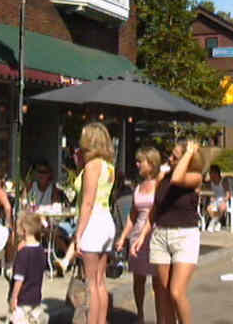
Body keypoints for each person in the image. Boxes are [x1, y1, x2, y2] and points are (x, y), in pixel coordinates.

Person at [132, 140, 203, 324]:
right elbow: (155, 211)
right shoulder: (162, 178)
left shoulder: (194, 176)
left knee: (176, 292)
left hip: (184, 236)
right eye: (171, 156)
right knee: (163, 293)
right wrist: (142, 236)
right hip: (161, 235)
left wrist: (188, 154)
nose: (170, 159)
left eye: (174, 157)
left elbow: (178, 179)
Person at [73, 123, 116, 324]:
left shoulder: (92, 166)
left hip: (94, 222)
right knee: (100, 282)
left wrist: (78, 233)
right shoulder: (109, 166)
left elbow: (87, 202)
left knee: (91, 284)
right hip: (106, 220)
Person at [115, 147, 163, 324]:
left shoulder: (160, 184)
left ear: (151, 163)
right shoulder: (138, 186)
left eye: (140, 161)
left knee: (158, 282)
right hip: (137, 237)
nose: (137, 164)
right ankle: (140, 314)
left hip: (156, 235)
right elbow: (133, 216)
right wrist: (122, 237)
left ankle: (160, 318)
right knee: (138, 279)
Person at [10, 212, 48, 324]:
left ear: (24, 230)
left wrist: (13, 297)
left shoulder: (23, 253)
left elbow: (19, 279)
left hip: (23, 298)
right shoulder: (41, 250)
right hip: (36, 297)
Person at [205, 165, 230, 232]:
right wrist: (211, 197)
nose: (210, 175)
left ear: (216, 173)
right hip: (214, 200)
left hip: (223, 200)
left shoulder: (224, 181)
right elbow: (208, 192)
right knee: (209, 208)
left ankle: (212, 223)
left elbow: (228, 194)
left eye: (211, 173)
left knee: (221, 208)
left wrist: (224, 200)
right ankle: (217, 222)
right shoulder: (209, 183)